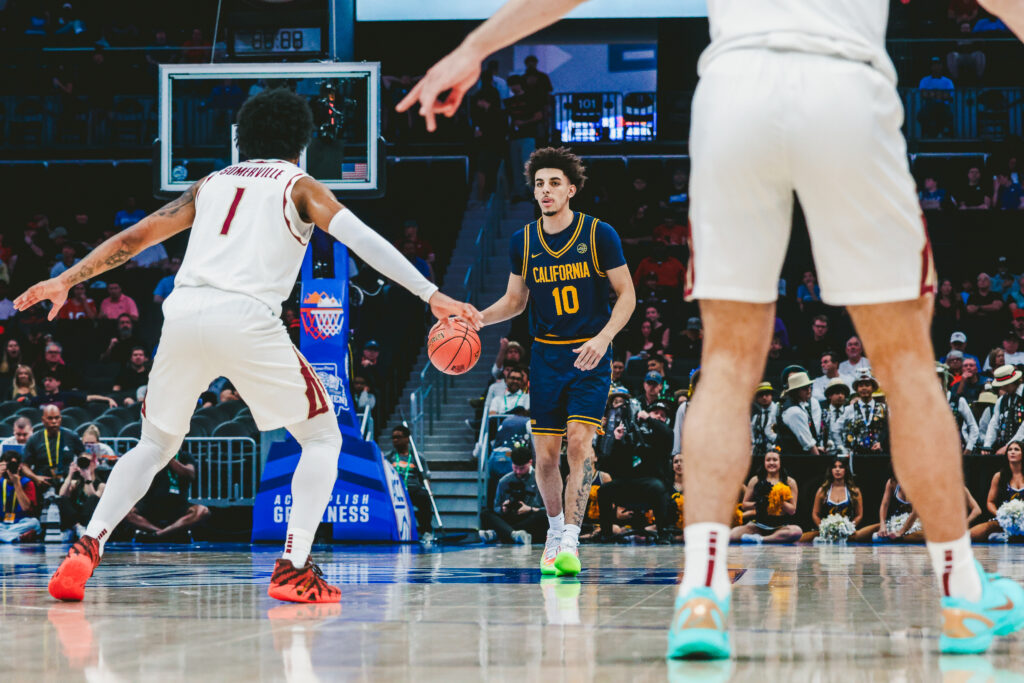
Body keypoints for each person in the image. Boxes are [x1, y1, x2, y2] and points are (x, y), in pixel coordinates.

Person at [396, 0, 1024, 659]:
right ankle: (962, 593)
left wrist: (474, 48)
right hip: (846, 86)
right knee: (905, 364)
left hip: (736, 91)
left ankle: (701, 593)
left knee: (725, 362)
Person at [15, 87, 481, 605]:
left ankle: (88, 544)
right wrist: (430, 293)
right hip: (245, 317)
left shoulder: (209, 184)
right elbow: (362, 238)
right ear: (300, 144)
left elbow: (133, 239)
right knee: (322, 438)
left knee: (153, 446)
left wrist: (67, 279)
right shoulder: (299, 185)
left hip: (183, 315)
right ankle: (294, 567)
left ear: (241, 140)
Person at [468, 147, 634, 577]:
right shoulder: (523, 242)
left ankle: (572, 541)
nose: (546, 190)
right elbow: (515, 301)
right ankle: (555, 532)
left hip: (589, 354)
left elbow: (627, 295)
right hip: (546, 357)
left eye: (555, 183)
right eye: (540, 183)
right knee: (545, 458)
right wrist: (477, 319)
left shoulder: (598, 235)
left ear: (571, 190)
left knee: (579, 445)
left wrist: (604, 337)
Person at [595, 400, 674, 544]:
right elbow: (613, 464)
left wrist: (649, 419)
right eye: (656, 413)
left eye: (663, 415)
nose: (659, 416)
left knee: (657, 487)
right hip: (628, 483)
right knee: (604, 490)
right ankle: (606, 533)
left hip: (652, 484)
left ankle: (663, 533)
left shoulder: (664, 436)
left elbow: (667, 434)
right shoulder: (633, 431)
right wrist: (617, 440)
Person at [126, 450, 209, 540]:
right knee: (124, 512)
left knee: (203, 511)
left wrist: (168, 458)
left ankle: (159, 534)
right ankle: (164, 533)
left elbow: (190, 474)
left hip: (178, 506)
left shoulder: (185, 456)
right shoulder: (150, 456)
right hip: (151, 506)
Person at [730, 451, 801, 544]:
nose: (771, 463)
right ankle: (767, 538)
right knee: (732, 535)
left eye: (775, 460)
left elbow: (792, 510)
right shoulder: (755, 480)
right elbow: (744, 505)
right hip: (758, 525)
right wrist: (760, 503)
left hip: (780, 527)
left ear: (780, 462)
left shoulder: (790, 482)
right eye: (768, 460)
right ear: (764, 463)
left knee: (797, 532)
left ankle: (761, 539)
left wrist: (778, 501)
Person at [482, 446, 547, 544]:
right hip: (511, 516)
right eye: (515, 467)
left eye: (522, 468)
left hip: (530, 518)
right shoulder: (504, 481)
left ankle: (499, 533)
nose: (518, 471)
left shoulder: (540, 479)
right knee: (485, 514)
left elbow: (548, 509)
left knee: (543, 516)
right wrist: (503, 508)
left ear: (530, 462)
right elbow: (496, 507)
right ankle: (513, 534)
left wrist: (530, 509)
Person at [969, 441, 1024, 542]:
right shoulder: (999, 476)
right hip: (1004, 521)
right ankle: (1005, 535)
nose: (1012, 452)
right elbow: (990, 502)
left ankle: (1007, 537)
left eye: (1016, 449)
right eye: (1010, 450)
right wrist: (1001, 515)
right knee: (972, 534)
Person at [384, 426, 433, 539]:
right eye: (393, 438)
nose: (395, 440)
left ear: (407, 439)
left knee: (424, 497)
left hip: (412, 489)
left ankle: (426, 531)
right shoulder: (388, 457)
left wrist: (429, 490)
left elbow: (425, 477)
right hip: (395, 491)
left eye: (398, 437)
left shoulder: (418, 457)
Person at [22, 405, 85, 492]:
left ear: (61, 419)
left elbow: (84, 457)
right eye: (50, 418)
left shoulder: (72, 436)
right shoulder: (34, 439)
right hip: (42, 483)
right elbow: (24, 466)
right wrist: (35, 478)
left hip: (67, 483)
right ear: (43, 420)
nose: (54, 421)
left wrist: (76, 478)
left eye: (57, 418)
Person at [799, 458, 863, 543]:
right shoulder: (823, 490)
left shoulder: (854, 491)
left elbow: (859, 515)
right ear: (831, 470)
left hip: (848, 534)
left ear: (846, 470)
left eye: (841, 467)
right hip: (826, 534)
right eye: (834, 467)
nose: (837, 470)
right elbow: (815, 514)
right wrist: (824, 528)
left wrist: (849, 528)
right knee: (801, 538)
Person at [774, 371, 823, 455]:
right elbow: (808, 443)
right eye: (804, 388)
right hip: (795, 457)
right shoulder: (795, 411)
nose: (809, 390)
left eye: (809, 386)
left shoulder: (800, 406)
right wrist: (819, 459)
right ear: (795, 391)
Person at [842, 371, 889, 454]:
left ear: (873, 388)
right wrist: (844, 449)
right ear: (856, 389)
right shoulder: (849, 409)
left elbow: (890, 430)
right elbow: (838, 430)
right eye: (861, 386)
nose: (864, 388)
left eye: (867, 385)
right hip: (856, 455)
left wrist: (882, 443)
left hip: (879, 454)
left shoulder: (883, 408)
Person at [981, 365, 1024, 454]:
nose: (1002, 388)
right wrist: (987, 445)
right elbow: (994, 424)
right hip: (1007, 450)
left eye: (1005, 385)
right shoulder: (1002, 400)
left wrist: (1009, 447)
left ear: (1012, 382)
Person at [0, 450, 40, 543]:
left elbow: (26, 508)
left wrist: (16, 483)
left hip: (21, 522)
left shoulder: (27, 482)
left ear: (19, 466)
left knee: (35, 523)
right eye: (7, 465)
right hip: (2, 523)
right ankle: (16, 537)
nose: (9, 468)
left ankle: (5, 537)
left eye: (12, 465)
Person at [939, 363, 980, 453]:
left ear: (944, 380)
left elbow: (973, 427)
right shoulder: (927, 404)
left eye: (938, 377)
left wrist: (969, 448)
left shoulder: (958, 401)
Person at [750, 382, 777, 457]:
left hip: (776, 452)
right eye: (761, 395)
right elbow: (752, 436)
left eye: (767, 394)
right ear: (757, 398)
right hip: (759, 453)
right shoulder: (756, 417)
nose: (764, 397)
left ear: (771, 395)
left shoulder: (779, 412)